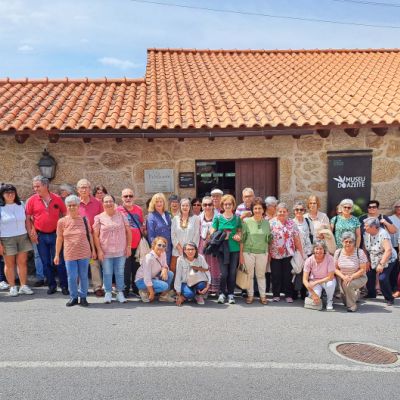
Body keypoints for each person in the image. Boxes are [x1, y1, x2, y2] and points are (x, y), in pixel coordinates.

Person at [26, 176, 68, 295]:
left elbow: (65, 213)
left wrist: (64, 230)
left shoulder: (57, 198)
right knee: (45, 263)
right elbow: (28, 218)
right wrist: (31, 232)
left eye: (38, 186)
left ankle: (64, 286)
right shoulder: (31, 200)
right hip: (40, 236)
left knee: (59, 261)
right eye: (34, 186)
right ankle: (51, 285)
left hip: (56, 235)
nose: (35, 189)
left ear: (45, 185)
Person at [54, 195, 96, 307]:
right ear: (66, 206)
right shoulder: (61, 221)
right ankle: (73, 297)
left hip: (84, 252)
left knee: (83, 276)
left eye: (74, 205)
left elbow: (90, 235)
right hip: (69, 253)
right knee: (72, 276)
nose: (72, 207)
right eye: (69, 205)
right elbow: (59, 238)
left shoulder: (84, 220)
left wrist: (93, 250)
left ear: (78, 206)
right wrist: (57, 254)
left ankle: (83, 297)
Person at [93, 194, 132, 304]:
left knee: (120, 273)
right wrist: (99, 250)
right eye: (106, 201)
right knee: (107, 272)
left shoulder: (122, 215)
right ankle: (108, 292)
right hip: (106, 251)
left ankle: (120, 293)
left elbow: (128, 231)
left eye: (110, 201)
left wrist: (128, 246)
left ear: (114, 203)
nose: (108, 203)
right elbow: (95, 235)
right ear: (103, 204)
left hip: (120, 250)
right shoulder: (99, 217)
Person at [0, 184, 33, 296]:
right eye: (7, 193)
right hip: (6, 238)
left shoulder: (21, 205)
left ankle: (23, 286)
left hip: (22, 236)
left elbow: (27, 220)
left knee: (22, 263)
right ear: (2, 194)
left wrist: (31, 233)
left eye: (12, 192)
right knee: (9, 264)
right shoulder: (0, 208)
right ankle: (12, 287)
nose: (10, 195)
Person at [269, 202, 304, 303]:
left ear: (287, 213)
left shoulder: (292, 223)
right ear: (276, 212)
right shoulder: (271, 223)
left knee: (287, 275)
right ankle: (276, 295)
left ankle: (288, 295)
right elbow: (268, 240)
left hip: (288, 254)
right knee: (276, 275)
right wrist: (268, 253)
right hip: (275, 254)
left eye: (284, 211)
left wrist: (301, 253)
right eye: (280, 211)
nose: (282, 213)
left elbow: (297, 239)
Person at [210, 194, 242, 304]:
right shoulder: (218, 217)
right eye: (225, 204)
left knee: (232, 273)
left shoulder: (237, 218)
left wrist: (238, 236)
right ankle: (222, 293)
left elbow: (239, 231)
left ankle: (231, 294)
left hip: (234, 248)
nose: (228, 206)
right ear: (222, 205)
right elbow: (212, 230)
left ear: (233, 205)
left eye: (230, 204)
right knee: (224, 273)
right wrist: (219, 235)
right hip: (222, 249)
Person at [240, 197, 271, 304]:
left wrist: (268, 253)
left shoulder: (267, 223)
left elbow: (269, 240)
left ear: (263, 210)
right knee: (249, 275)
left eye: (259, 208)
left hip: (262, 252)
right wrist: (241, 255)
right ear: (252, 210)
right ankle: (250, 295)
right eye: (255, 208)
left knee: (261, 275)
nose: (257, 210)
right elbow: (242, 240)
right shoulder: (246, 222)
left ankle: (263, 296)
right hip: (248, 252)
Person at [76, 178, 104, 297]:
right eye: (81, 187)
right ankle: (81, 287)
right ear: (78, 190)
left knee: (93, 262)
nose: (84, 189)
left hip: (94, 237)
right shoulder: (74, 203)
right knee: (80, 263)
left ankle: (97, 286)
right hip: (79, 238)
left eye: (86, 187)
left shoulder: (97, 203)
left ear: (89, 189)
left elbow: (103, 219)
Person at [116, 188, 144, 298]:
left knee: (137, 268)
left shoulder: (139, 209)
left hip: (137, 245)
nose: (128, 198)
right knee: (125, 269)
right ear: (122, 198)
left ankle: (136, 289)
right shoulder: (118, 210)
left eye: (130, 196)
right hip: (124, 245)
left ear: (134, 197)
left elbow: (141, 224)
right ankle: (125, 290)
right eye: (125, 196)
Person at [363, 217, 396, 306]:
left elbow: (388, 250)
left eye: (366, 226)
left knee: (382, 278)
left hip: (387, 259)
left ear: (374, 227)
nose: (364, 228)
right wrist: (367, 260)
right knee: (369, 274)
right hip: (373, 258)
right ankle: (371, 293)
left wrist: (381, 264)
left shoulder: (383, 234)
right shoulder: (366, 233)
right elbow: (365, 248)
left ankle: (389, 298)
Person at [334, 232, 368, 312]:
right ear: (342, 242)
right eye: (346, 241)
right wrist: (343, 277)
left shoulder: (359, 252)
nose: (348, 244)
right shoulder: (338, 252)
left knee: (348, 285)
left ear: (354, 242)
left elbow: (363, 269)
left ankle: (352, 306)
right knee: (345, 301)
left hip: (359, 277)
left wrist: (351, 277)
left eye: (350, 242)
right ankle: (355, 295)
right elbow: (335, 269)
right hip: (343, 278)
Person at [134, 236, 175, 303]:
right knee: (165, 286)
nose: (161, 247)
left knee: (170, 274)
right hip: (141, 281)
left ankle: (163, 296)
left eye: (163, 246)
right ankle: (145, 291)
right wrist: (152, 293)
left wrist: (164, 269)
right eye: (159, 245)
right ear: (154, 245)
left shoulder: (163, 253)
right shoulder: (149, 258)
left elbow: (165, 265)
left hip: (152, 277)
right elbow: (147, 278)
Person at [303, 240, 336, 311]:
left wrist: (316, 282)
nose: (319, 251)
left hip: (326, 280)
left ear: (324, 250)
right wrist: (313, 294)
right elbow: (304, 280)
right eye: (317, 249)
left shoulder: (330, 258)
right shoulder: (309, 260)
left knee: (330, 284)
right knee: (315, 298)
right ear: (313, 250)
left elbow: (330, 277)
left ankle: (329, 301)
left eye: (321, 249)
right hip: (314, 281)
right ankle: (319, 297)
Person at [171, 198, 200, 276]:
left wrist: (189, 250)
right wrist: (180, 250)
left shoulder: (195, 218)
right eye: (183, 205)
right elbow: (173, 235)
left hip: (190, 252)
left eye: (187, 205)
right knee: (175, 271)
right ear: (180, 207)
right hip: (177, 251)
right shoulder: (175, 219)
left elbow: (196, 235)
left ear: (190, 207)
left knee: (189, 274)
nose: (185, 207)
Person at [198, 196, 220, 295]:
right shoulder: (198, 218)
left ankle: (215, 289)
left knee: (215, 266)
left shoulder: (218, 217)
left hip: (214, 245)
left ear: (213, 205)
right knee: (204, 267)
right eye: (205, 205)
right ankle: (205, 289)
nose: (207, 207)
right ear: (202, 206)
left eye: (209, 204)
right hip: (202, 245)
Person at [293, 200, 314, 299]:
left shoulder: (308, 221)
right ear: (294, 211)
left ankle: (303, 292)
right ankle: (294, 292)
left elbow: (313, 235)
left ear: (304, 211)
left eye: (301, 210)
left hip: (308, 250)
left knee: (306, 272)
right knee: (296, 271)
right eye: (297, 210)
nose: (299, 211)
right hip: (296, 251)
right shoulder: (291, 222)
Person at [146, 193, 172, 266]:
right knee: (159, 268)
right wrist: (155, 249)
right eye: (157, 202)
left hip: (168, 247)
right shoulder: (151, 216)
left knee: (167, 267)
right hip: (159, 248)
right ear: (153, 203)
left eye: (161, 201)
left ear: (164, 203)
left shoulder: (167, 214)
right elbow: (151, 235)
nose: (159, 203)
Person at [389, 200, 400, 297]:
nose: (399, 208)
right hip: (394, 246)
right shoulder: (390, 219)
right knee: (394, 269)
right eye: (397, 206)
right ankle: (395, 289)